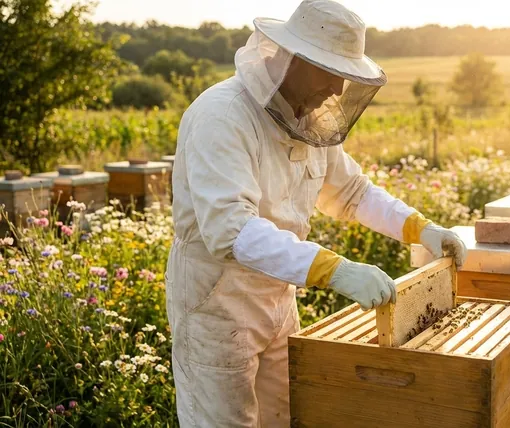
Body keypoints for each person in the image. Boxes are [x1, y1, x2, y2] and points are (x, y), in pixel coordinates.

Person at [164, 0, 467, 426]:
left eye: (345, 75)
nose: (337, 89)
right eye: (330, 71)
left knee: (287, 415)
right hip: (218, 300)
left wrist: (420, 229)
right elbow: (231, 231)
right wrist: (334, 270)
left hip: (278, 296)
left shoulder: (308, 119)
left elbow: (353, 192)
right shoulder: (223, 115)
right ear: (293, 59)